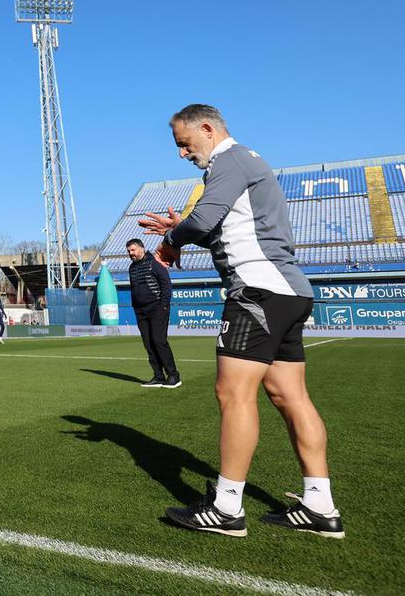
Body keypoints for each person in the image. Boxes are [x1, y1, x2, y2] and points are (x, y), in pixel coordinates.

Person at [140, 104, 342, 538]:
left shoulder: (228, 161)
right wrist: (183, 229)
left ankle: (227, 507)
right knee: (290, 395)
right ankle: (320, 506)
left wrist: (173, 238)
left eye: (184, 144)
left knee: (233, 394)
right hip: (289, 291)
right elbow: (226, 228)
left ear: (207, 129)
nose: (182, 153)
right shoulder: (248, 161)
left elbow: (204, 221)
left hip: (257, 291)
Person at [126, 238, 180, 388]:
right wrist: (135, 306)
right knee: (148, 344)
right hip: (140, 311)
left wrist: (163, 305)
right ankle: (158, 376)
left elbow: (166, 283)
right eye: (129, 251)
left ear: (142, 249)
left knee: (159, 341)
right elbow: (134, 288)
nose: (131, 253)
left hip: (157, 308)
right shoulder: (132, 267)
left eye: (133, 250)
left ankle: (173, 376)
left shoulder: (154, 263)